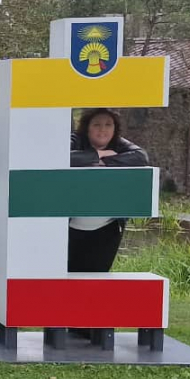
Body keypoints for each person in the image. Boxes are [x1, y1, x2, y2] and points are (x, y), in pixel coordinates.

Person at [67, 108, 150, 273]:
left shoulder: (120, 144)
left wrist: (105, 161)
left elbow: (141, 157)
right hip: (69, 225)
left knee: (97, 277)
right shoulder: (75, 140)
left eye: (108, 124)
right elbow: (61, 157)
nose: (102, 129)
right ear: (87, 127)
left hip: (107, 227)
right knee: (66, 274)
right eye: (96, 124)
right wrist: (96, 155)